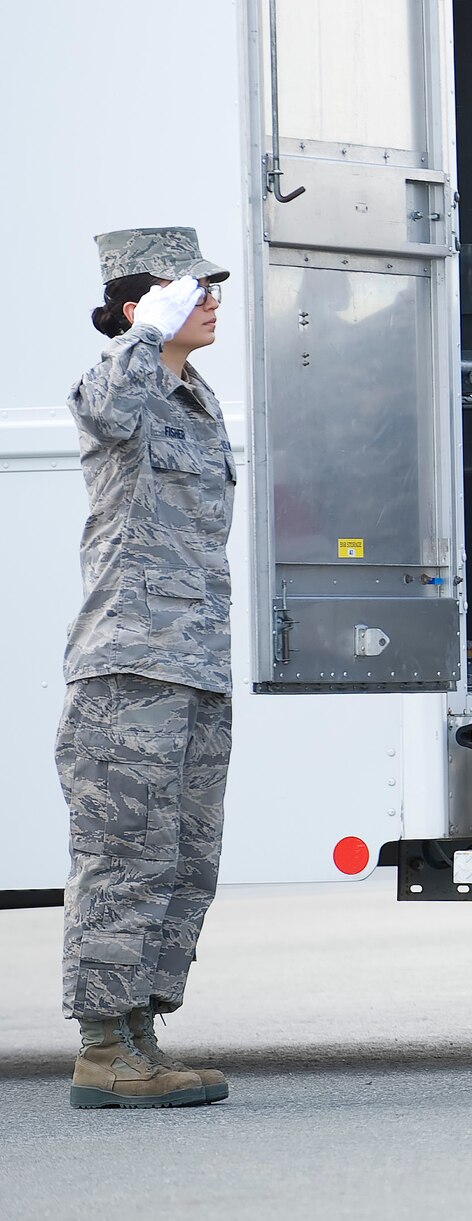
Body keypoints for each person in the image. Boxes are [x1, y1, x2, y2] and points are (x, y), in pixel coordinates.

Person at [60, 228, 235, 1108]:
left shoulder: (192, 398)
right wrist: (138, 336)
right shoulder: (120, 384)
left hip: (194, 665)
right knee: (122, 856)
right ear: (139, 307)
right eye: (189, 290)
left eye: (209, 288)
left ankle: (140, 1032)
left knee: (181, 858)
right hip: (131, 664)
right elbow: (100, 409)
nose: (211, 301)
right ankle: (102, 1046)